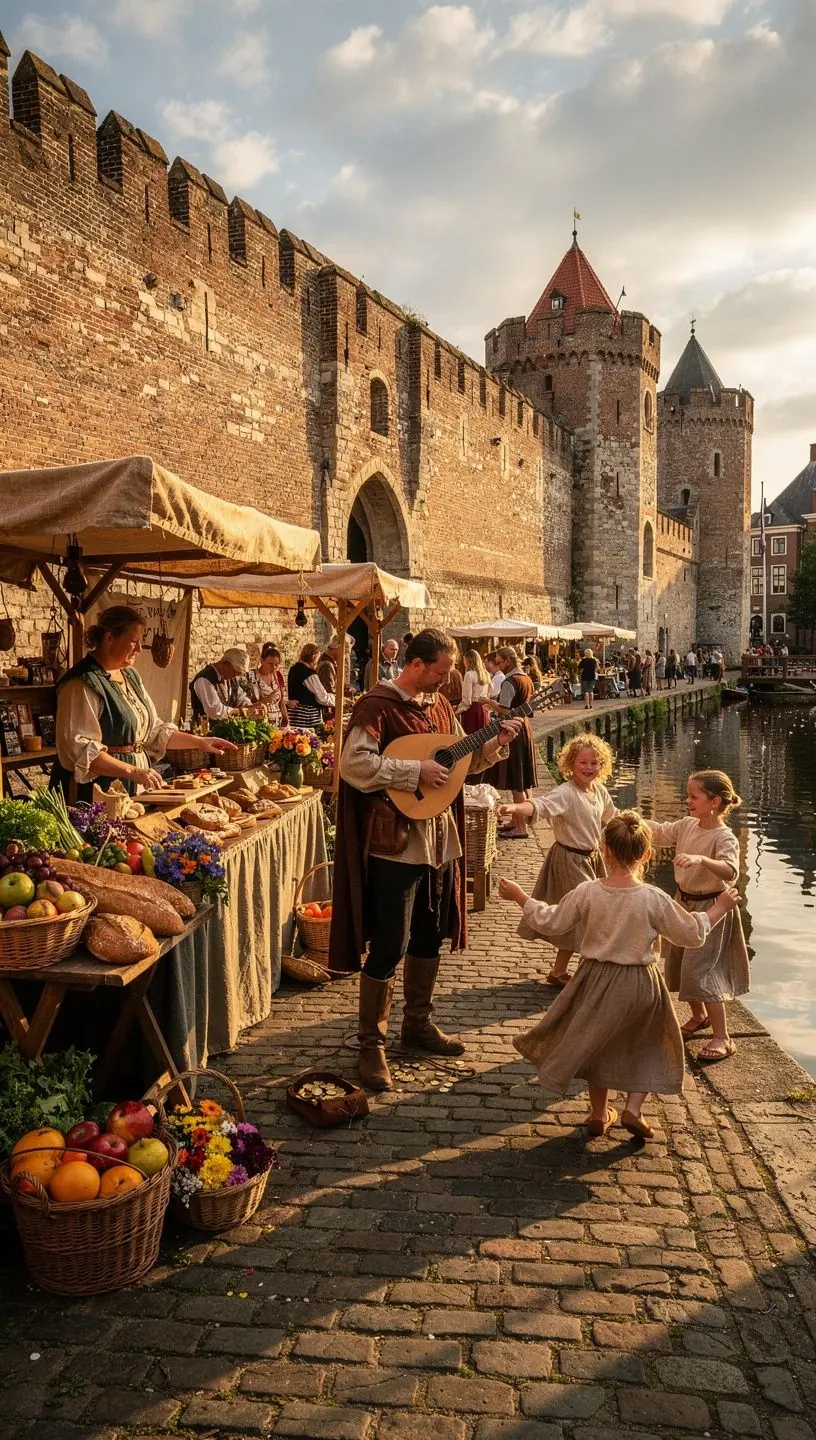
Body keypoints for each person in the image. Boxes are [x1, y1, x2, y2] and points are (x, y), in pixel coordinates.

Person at [329, 628, 521, 1091]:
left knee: (430, 932)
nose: (445, 678)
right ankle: (371, 1043)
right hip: (395, 842)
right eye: (439, 670)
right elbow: (353, 766)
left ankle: (416, 1024)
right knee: (390, 941)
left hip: (438, 839)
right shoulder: (376, 707)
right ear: (415, 665)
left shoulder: (437, 706)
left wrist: (496, 740)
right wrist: (413, 769)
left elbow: (461, 763)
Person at [499, 811, 741, 1138]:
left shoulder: (588, 892)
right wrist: (720, 907)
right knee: (646, 1044)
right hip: (641, 983)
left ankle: (599, 1113)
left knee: (599, 1043)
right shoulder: (653, 898)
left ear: (604, 851)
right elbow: (689, 934)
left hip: (594, 980)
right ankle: (633, 1109)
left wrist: (519, 896)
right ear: (647, 855)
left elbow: (550, 921)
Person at [53, 605, 236, 801]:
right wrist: (132, 771)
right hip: (100, 790)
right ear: (109, 638)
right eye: (134, 641)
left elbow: (153, 730)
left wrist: (199, 742)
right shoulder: (81, 683)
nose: (140, 649)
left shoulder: (130, 676)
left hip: (135, 784)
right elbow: (79, 748)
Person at [646, 769, 749, 1063]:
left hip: (712, 908)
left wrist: (701, 859)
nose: (687, 800)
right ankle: (699, 1015)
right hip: (684, 903)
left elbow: (731, 871)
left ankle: (723, 1037)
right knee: (678, 963)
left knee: (702, 970)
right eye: (688, 794)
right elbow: (660, 832)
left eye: (694, 796)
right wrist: (628, 820)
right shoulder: (687, 825)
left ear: (714, 801)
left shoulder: (724, 836)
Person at [499, 734, 616, 987]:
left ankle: (559, 972)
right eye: (583, 762)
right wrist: (516, 808)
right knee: (587, 914)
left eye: (594, 763)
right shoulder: (566, 793)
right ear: (571, 764)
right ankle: (589, 973)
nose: (589, 768)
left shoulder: (599, 791)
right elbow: (541, 805)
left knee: (580, 916)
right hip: (569, 860)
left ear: (602, 765)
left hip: (592, 859)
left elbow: (613, 817)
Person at [486, 646, 538, 839]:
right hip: (524, 727)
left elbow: (505, 710)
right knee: (524, 779)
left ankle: (521, 827)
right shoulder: (526, 678)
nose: (498, 666)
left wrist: (489, 702)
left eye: (499, 662)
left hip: (512, 729)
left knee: (517, 779)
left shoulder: (510, 681)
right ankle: (518, 820)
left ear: (508, 661)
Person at [189, 647, 260, 723]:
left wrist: (251, 706)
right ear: (226, 663)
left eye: (238, 673)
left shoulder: (231, 678)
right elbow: (215, 711)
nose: (236, 675)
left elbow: (240, 698)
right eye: (235, 671)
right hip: (204, 730)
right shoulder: (204, 679)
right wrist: (241, 711)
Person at [288, 642, 335, 729]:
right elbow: (322, 697)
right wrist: (338, 701)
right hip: (307, 716)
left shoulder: (293, 669)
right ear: (314, 657)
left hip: (294, 714)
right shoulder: (309, 673)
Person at [248, 643, 289, 726]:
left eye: (276, 664)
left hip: (278, 724)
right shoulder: (251, 676)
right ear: (262, 661)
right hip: (259, 724)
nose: (274, 667)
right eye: (270, 664)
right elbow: (247, 705)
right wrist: (266, 701)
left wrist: (286, 719)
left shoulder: (278, 676)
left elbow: (281, 701)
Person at [459, 648, 493, 734]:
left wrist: (458, 710)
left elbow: (467, 699)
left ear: (468, 661)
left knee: (470, 739)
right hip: (483, 708)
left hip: (472, 710)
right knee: (482, 738)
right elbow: (490, 692)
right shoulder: (486, 674)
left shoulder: (469, 674)